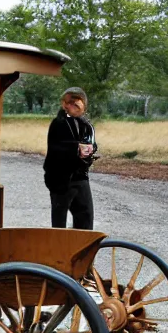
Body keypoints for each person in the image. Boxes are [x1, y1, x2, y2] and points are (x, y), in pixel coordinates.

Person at [43, 87, 98, 230]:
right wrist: (76, 148)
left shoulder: (85, 124)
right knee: (59, 223)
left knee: (85, 218)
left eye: (76, 105)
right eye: (69, 103)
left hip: (80, 177)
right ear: (64, 104)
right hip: (61, 180)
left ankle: (82, 249)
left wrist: (91, 149)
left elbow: (90, 142)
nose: (71, 107)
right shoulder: (58, 123)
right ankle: (59, 250)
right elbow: (55, 148)